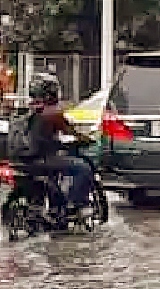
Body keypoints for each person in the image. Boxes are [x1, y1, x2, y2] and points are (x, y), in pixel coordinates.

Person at [13, 73, 97, 218]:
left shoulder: (24, 110)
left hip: (18, 160)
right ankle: (76, 205)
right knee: (83, 168)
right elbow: (70, 131)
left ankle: (54, 207)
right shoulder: (52, 112)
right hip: (41, 159)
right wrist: (87, 139)